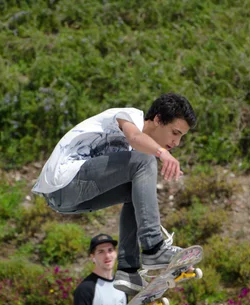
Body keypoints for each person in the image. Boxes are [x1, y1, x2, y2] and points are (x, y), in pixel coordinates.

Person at [32, 93, 197, 294]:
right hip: (65, 179)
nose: (177, 142)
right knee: (145, 160)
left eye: (181, 137)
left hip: (70, 200)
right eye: (175, 132)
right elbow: (135, 138)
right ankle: (154, 248)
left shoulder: (135, 156)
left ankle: (128, 269)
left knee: (134, 190)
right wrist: (162, 153)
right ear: (158, 119)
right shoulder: (130, 115)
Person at [74, 233, 137, 305]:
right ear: (92, 257)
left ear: (116, 253)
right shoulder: (85, 289)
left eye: (110, 250)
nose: (107, 256)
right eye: (101, 252)